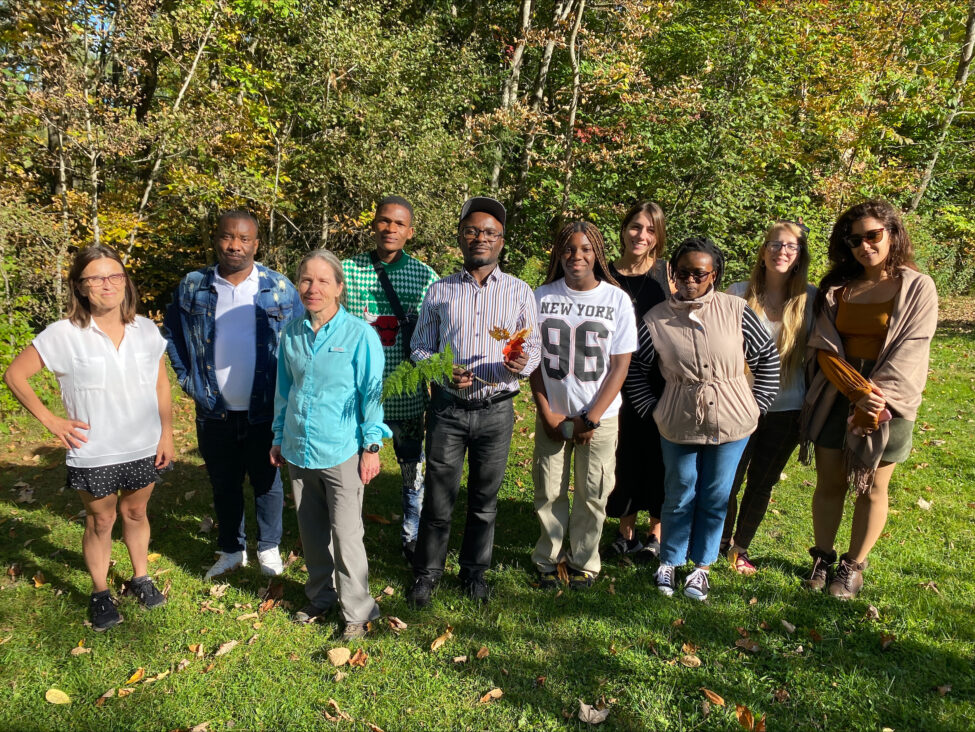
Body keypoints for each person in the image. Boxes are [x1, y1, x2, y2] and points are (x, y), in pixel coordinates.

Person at [4, 245, 173, 631]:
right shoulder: (63, 335)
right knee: (101, 521)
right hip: (93, 451)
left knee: (136, 513)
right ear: (80, 287)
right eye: (95, 278)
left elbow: (160, 382)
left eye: (114, 275)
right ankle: (100, 592)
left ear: (125, 282)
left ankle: (140, 578)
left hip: (143, 445)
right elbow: (15, 375)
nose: (106, 284)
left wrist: (167, 433)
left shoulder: (145, 329)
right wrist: (51, 421)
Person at [406, 196, 541, 608]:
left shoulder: (519, 291)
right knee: (439, 495)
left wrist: (522, 360)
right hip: (448, 409)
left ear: (501, 241)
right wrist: (441, 369)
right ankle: (427, 573)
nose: (480, 238)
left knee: (485, 499)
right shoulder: (440, 290)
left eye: (489, 232)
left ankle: (474, 573)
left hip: (497, 410)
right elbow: (420, 348)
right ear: (461, 237)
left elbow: (532, 347)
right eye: (472, 231)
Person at [627, 237, 780, 600]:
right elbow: (636, 370)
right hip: (678, 419)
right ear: (673, 273)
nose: (690, 280)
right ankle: (670, 558)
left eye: (700, 273)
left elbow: (767, 360)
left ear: (714, 275)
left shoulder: (735, 310)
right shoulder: (656, 319)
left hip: (733, 421)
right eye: (683, 272)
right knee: (679, 492)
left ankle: (702, 567)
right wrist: (654, 409)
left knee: (715, 495)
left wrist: (755, 406)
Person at [801, 200, 937, 599]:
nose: (865, 246)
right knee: (830, 481)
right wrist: (855, 392)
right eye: (855, 239)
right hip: (837, 392)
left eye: (873, 235)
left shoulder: (918, 287)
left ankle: (852, 567)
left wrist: (873, 400)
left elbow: (912, 348)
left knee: (872, 486)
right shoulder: (836, 289)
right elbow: (823, 345)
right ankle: (822, 558)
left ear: (893, 234)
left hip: (888, 401)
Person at [163, 210, 302, 579]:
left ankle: (269, 548)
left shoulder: (280, 288)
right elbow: (172, 334)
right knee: (223, 483)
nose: (234, 246)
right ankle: (231, 550)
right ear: (216, 238)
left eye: (243, 239)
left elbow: (302, 339)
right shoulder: (193, 286)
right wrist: (186, 378)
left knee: (267, 483)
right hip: (214, 408)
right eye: (228, 237)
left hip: (266, 408)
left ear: (256, 244)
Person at [270, 249, 391, 638]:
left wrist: (371, 447)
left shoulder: (360, 335)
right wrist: (277, 437)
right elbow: (283, 392)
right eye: (306, 279)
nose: (313, 288)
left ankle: (358, 610)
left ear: (339, 287)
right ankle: (320, 595)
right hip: (298, 448)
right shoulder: (291, 333)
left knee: (346, 534)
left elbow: (371, 394)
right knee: (311, 532)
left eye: (323, 281)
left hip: (342, 451)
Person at [530, 221, 637, 589]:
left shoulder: (616, 299)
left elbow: (621, 364)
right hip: (554, 413)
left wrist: (590, 419)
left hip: (599, 416)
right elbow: (532, 360)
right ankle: (549, 558)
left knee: (593, 493)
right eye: (569, 249)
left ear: (598, 253)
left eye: (585, 249)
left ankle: (584, 562)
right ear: (559, 253)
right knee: (549, 489)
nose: (577, 256)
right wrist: (546, 411)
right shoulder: (540, 296)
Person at [342, 196, 439, 564]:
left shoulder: (425, 276)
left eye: (399, 224)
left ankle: (411, 537)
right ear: (374, 225)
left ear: (410, 232)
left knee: (413, 471)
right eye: (384, 221)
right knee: (351, 474)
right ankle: (349, 537)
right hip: (357, 397)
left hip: (407, 396)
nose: (390, 229)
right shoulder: (347, 272)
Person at [721, 220, 816, 573]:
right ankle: (718, 540)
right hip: (740, 406)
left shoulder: (812, 298)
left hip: (787, 410)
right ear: (763, 252)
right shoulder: (737, 293)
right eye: (776, 245)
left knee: (761, 483)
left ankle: (740, 548)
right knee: (727, 480)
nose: (782, 252)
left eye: (791, 246)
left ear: (799, 255)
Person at [603, 201, 670, 561]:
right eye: (634, 227)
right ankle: (624, 530)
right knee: (622, 453)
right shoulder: (606, 273)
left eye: (649, 229)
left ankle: (655, 533)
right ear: (624, 228)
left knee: (658, 455)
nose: (641, 235)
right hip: (613, 378)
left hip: (660, 381)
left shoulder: (668, 275)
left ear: (658, 235)